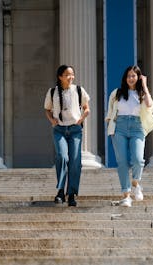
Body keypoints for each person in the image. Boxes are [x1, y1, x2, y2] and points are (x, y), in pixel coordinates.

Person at [105, 65, 153, 207]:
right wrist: (110, 128)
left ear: (138, 77)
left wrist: (144, 85)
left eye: (133, 76)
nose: (131, 78)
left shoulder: (142, 93)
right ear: (125, 78)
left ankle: (136, 182)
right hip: (119, 127)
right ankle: (126, 195)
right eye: (128, 76)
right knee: (122, 162)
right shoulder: (117, 93)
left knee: (138, 160)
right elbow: (110, 113)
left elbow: (150, 105)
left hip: (137, 127)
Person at [44, 65, 90, 207]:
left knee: (75, 162)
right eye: (67, 75)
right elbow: (47, 109)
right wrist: (52, 120)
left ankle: (71, 194)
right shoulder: (53, 92)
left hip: (75, 130)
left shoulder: (78, 90)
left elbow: (87, 107)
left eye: (72, 74)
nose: (71, 77)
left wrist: (82, 118)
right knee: (62, 157)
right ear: (60, 77)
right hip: (60, 130)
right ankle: (60, 191)